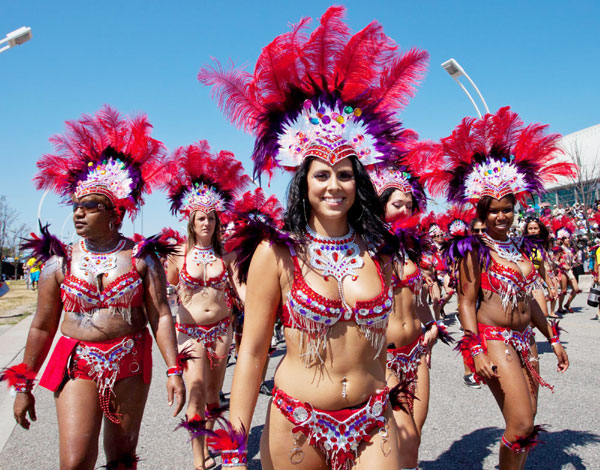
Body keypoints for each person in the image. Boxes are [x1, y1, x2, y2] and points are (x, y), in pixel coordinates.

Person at [198, 6, 428, 468]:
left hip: (371, 418)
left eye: (345, 174)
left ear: (358, 182)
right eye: (321, 174)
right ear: (303, 182)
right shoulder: (276, 254)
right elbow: (255, 351)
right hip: (297, 422)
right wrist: (234, 440)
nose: (333, 185)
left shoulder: (380, 252)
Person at [7, 106, 185, 470]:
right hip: (77, 365)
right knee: (74, 462)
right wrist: (23, 385)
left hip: (130, 363)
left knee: (121, 458)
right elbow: (41, 326)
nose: (78, 213)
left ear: (115, 213)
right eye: (75, 206)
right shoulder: (59, 263)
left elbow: (161, 316)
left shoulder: (141, 259)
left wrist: (174, 369)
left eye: (89, 206)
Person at [422, 107, 572, 470]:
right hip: (495, 339)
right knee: (521, 423)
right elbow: (465, 303)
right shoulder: (472, 250)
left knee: (526, 425)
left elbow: (528, 300)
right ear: (482, 213)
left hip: (525, 339)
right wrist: (475, 350)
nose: (501, 216)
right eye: (494, 211)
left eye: (507, 209)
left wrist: (551, 337)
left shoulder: (520, 249)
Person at [164, 142, 249, 470]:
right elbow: (166, 285)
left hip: (222, 331)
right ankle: (199, 459)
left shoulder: (225, 255)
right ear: (191, 220)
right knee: (197, 392)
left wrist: (254, 307)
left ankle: (207, 441)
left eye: (212, 218)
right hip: (189, 331)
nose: (207, 223)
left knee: (214, 397)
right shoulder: (177, 253)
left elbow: (239, 287)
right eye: (201, 218)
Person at [370, 156, 444, 469]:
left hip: (416, 350)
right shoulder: (364, 247)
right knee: (399, 437)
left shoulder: (408, 247)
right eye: (398, 203)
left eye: (410, 204)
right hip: (381, 358)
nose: (406, 210)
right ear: (380, 204)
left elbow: (416, 295)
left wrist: (431, 322)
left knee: (414, 437)